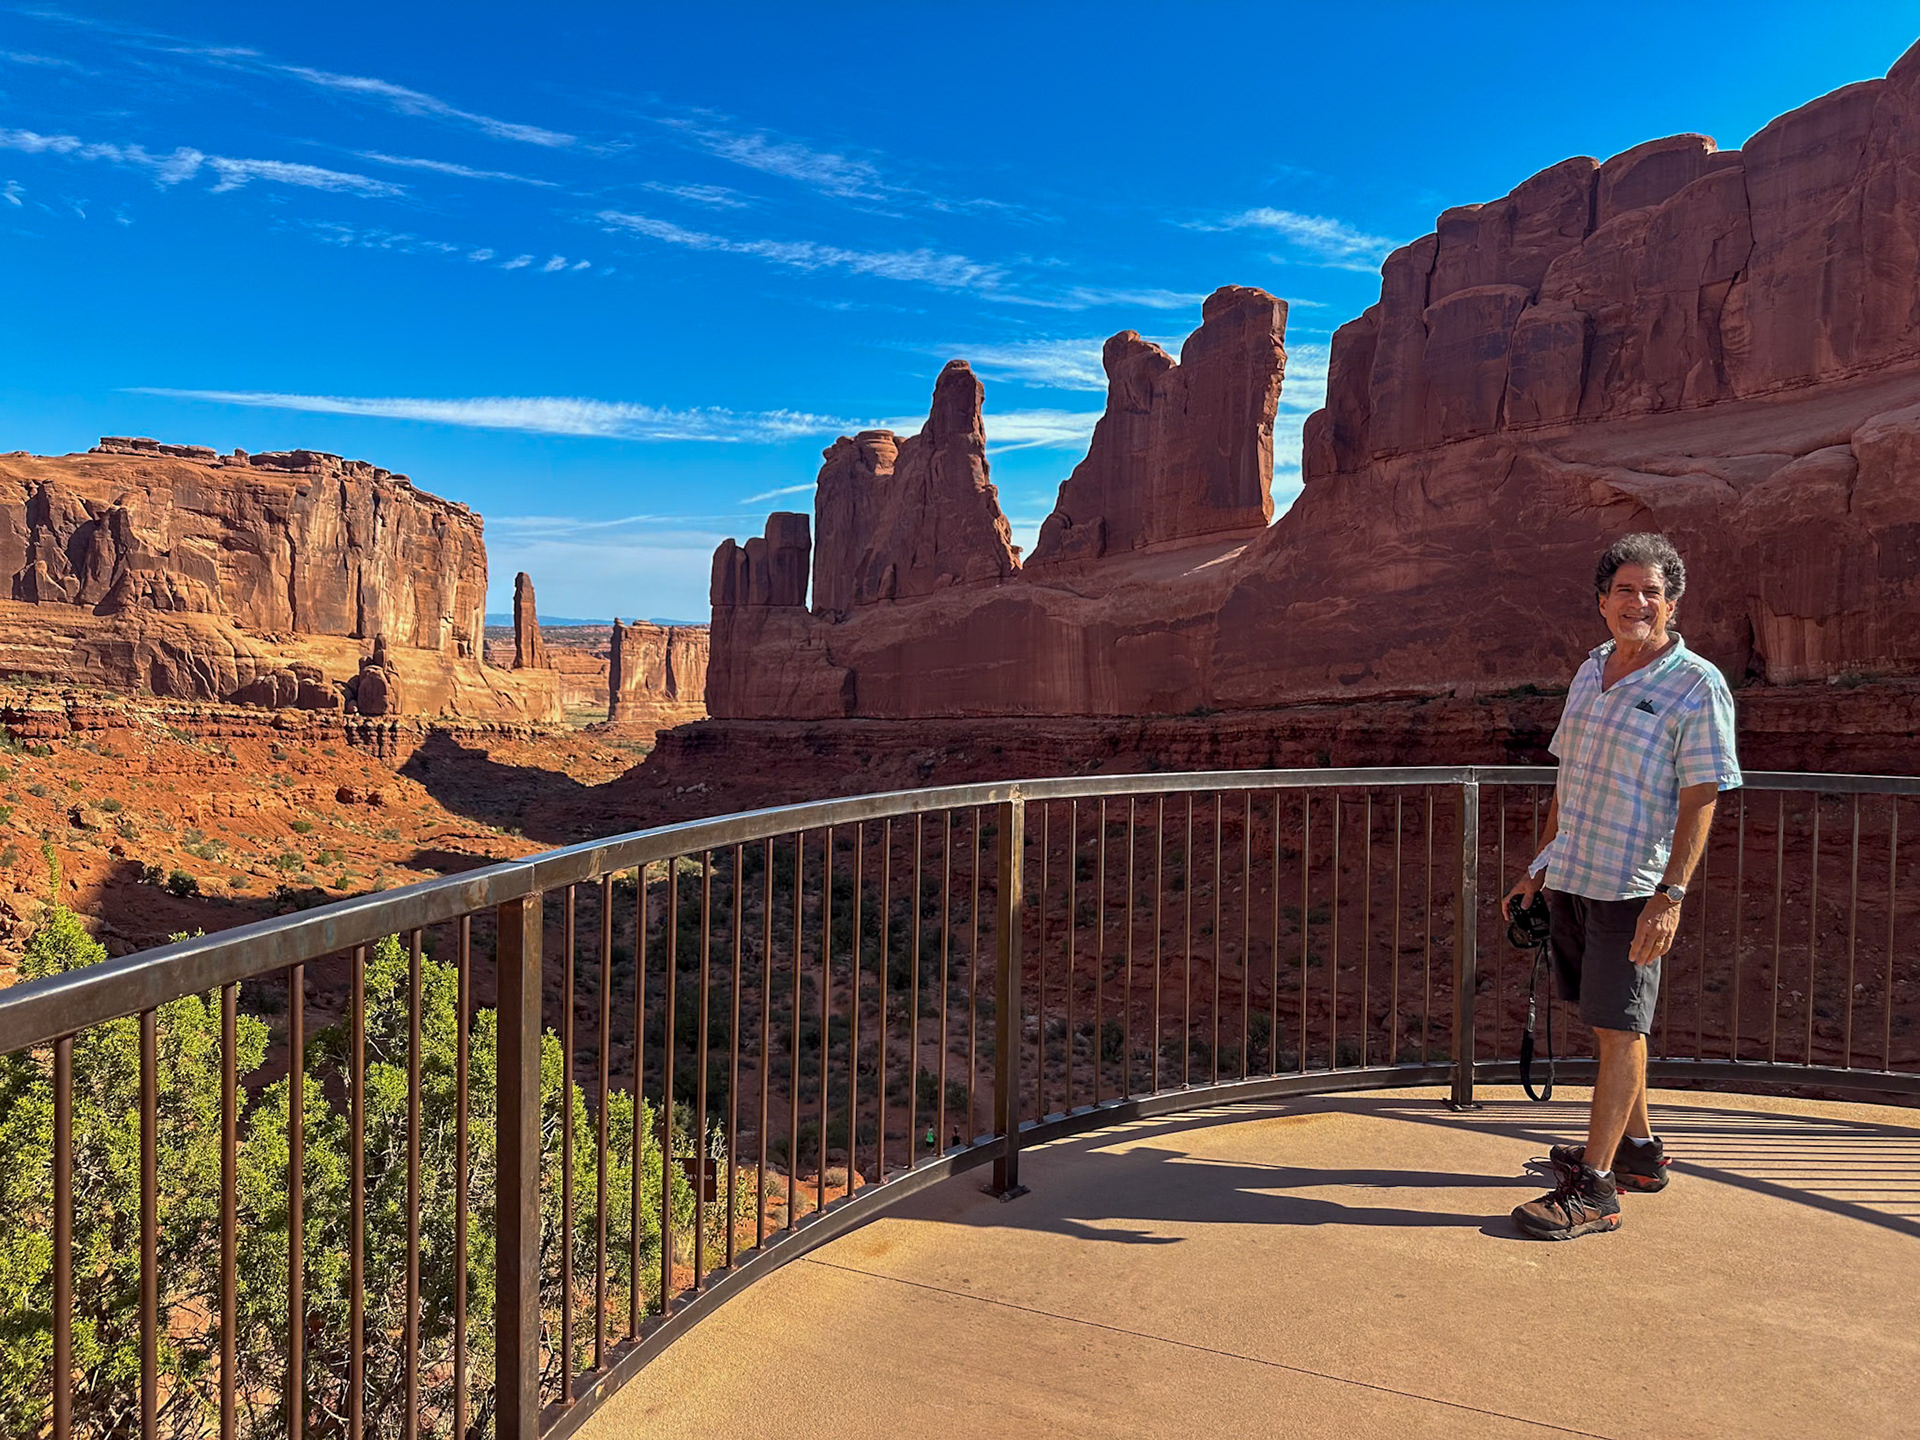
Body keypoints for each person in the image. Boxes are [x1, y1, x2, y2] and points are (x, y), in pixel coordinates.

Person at [1503, 533, 1741, 1241]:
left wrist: (1672, 896)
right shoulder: (1590, 670)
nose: (1638, 602)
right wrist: (1537, 868)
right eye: (1625, 590)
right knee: (1608, 1023)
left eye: (1652, 591)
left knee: (1621, 1027)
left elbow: (1704, 794)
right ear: (1602, 601)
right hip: (1575, 872)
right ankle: (1638, 1153)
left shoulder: (1697, 683)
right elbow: (1566, 778)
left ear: (1672, 602)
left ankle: (1595, 1190)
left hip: (1635, 883)